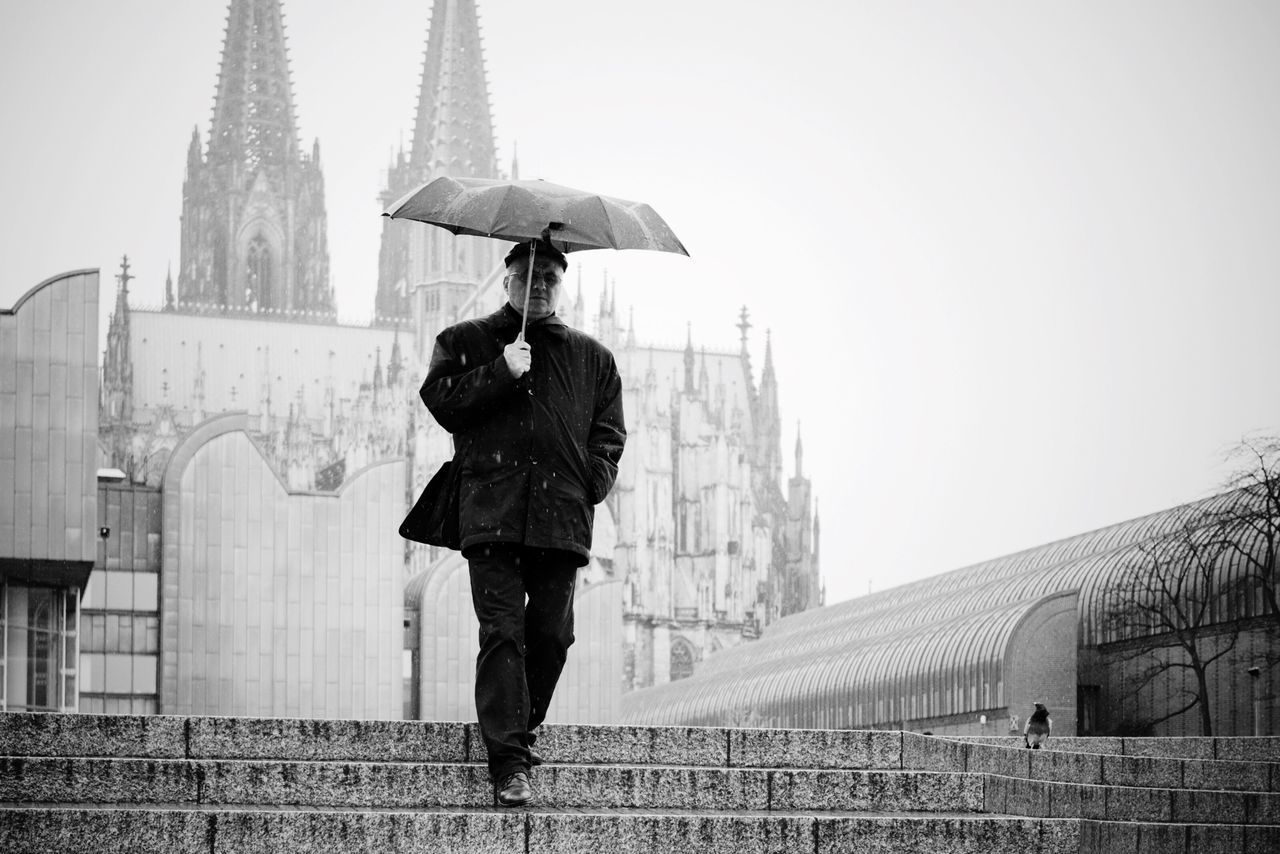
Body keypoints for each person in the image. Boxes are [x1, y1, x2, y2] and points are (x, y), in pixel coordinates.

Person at [420, 238, 626, 807]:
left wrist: (593, 481)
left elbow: (609, 435)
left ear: (561, 286)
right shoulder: (467, 341)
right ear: (506, 278)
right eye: (526, 276)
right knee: (502, 632)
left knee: (553, 636)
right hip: (491, 513)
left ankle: (518, 730)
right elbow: (439, 401)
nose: (538, 287)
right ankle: (509, 761)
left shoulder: (593, 358)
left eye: (549, 279)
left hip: (561, 520)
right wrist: (500, 371)